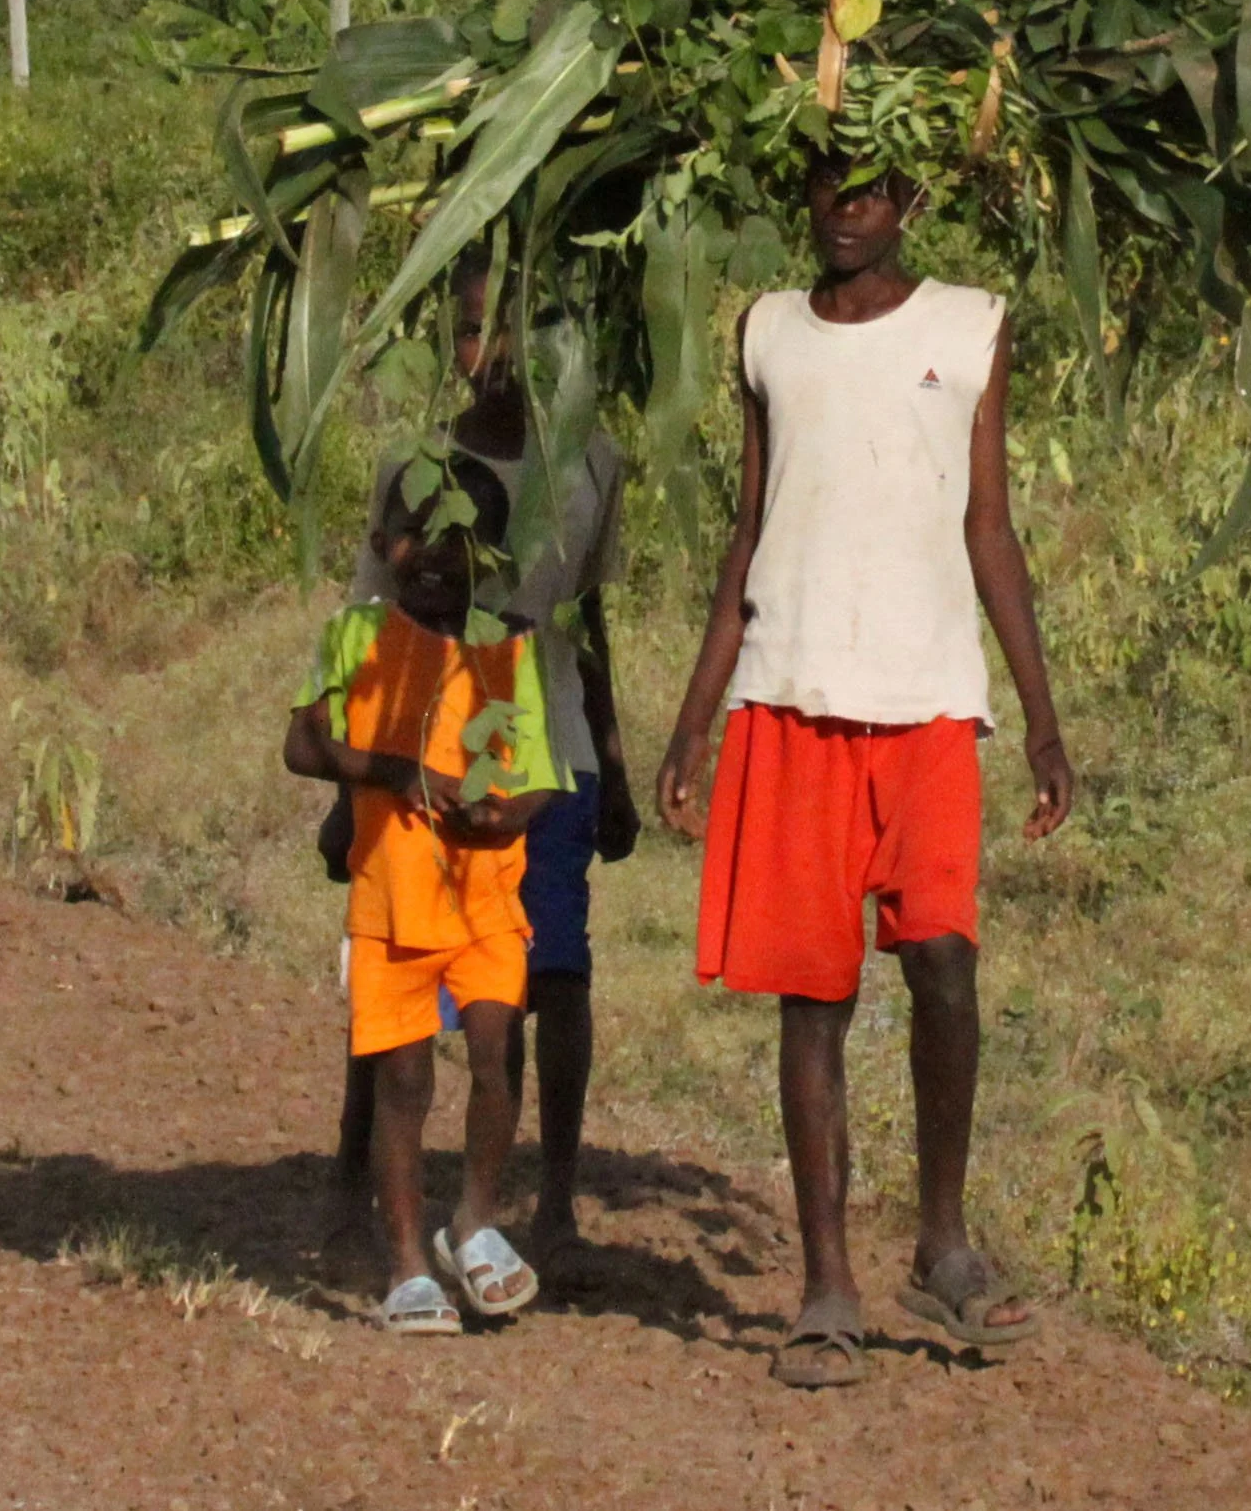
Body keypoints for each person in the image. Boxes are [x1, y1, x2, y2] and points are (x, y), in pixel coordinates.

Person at [656, 153, 1074, 1388]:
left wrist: (1042, 718)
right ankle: (827, 1284)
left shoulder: (968, 325)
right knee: (814, 997)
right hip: (793, 691)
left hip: (930, 694)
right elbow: (751, 529)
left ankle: (941, 1242)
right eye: (827, 190)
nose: (847, 214)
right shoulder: (770, 333)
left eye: (871, 193)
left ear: (913, 204)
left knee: (945, 960)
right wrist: (693, 718)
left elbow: (989, 530)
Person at [326, 247, 638, 1267]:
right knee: (406, 961)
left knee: (554, 976)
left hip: (542, 755)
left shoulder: (591, 465)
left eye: (509, 330)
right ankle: (366, 1168)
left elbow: (589, 620)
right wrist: (348, 787)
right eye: (469, 330)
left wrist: (615, 762)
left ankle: (549, 1204)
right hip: (417, 752)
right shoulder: (415, 472)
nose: (489, 353)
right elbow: (369, 624)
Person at [286, 454, 570, 1334]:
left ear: (496, 557)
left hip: (486, 896)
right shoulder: (356, 639)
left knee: (495, 1057)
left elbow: (534, 775)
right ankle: (407, 1262)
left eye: (466, 540)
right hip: (392, 906)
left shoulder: (503, 651)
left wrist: (507, 815)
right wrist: (394, 774)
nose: (441, 557)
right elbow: (305, 745)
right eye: (420, 534)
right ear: (382, 545)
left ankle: (474, 1222)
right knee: (402, 1084)